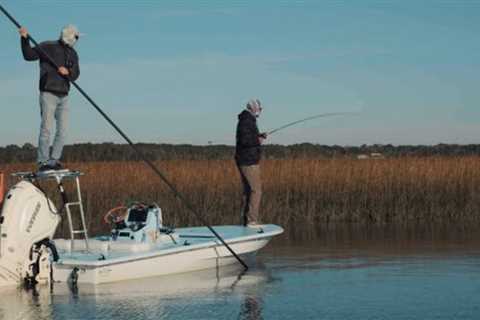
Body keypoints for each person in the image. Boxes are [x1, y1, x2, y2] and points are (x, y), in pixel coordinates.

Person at [19, 25, 81, 171]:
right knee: (46, 128)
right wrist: (24, 38)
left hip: (64, 95)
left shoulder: (73, 53)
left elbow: (76, 74)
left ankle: (54, 160)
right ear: (69, 36)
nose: (77, 40)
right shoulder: (47, 46)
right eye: (76, 37)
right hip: (48, 92)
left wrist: (68, 72)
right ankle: (43, 161)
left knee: (63, 130)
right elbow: (28, 55)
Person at [235, 99, 267, 227]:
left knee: (249, 190)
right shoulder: (247, 120)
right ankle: (252, 220)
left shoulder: (247, 119)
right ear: (253, 108)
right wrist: (257, 140)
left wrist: (259, 135)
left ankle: (246, 220)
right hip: (248, 160)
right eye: (259, 108)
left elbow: (248, 137)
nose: (260, 110)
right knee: (256, 191)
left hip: (246, 158)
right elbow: (245, 140)